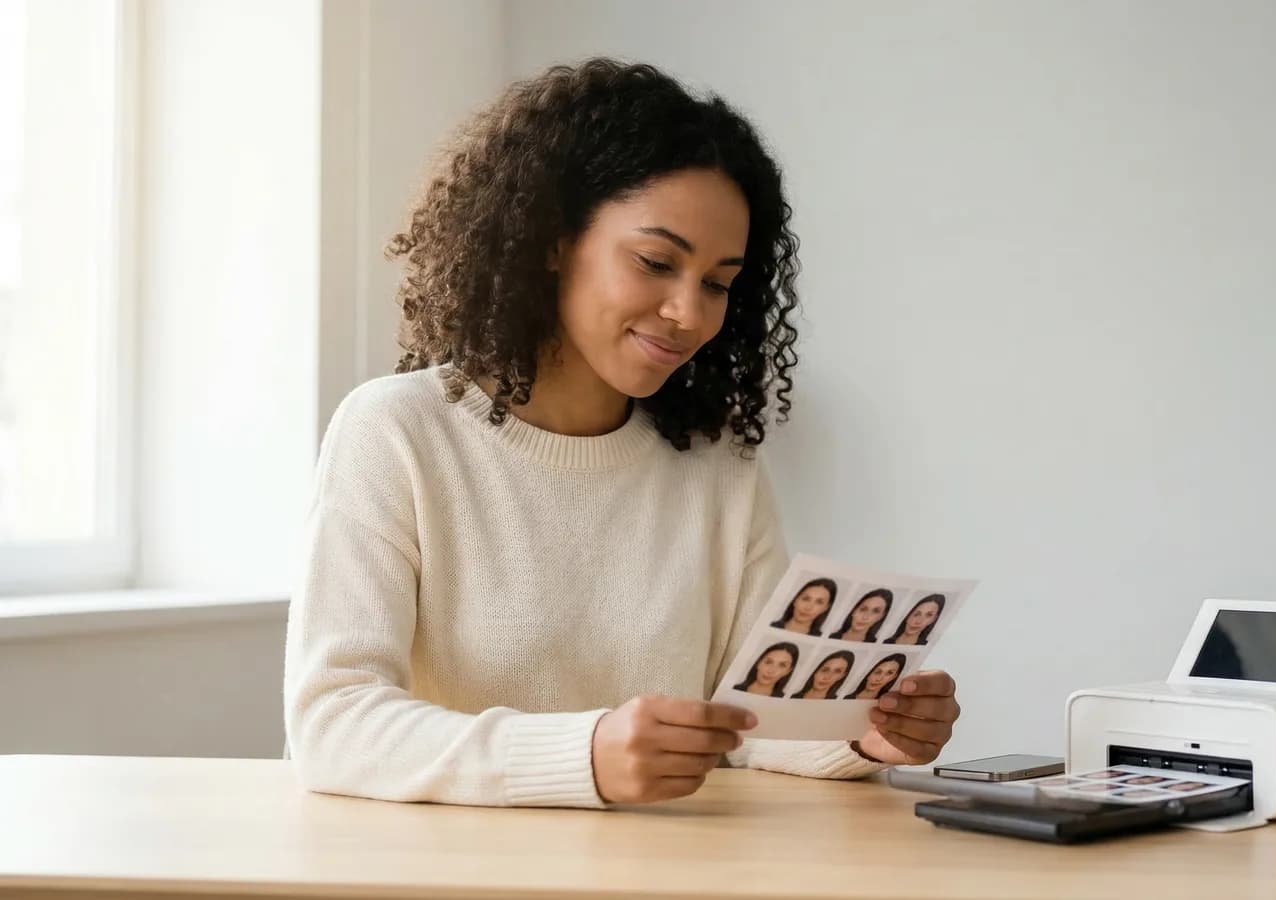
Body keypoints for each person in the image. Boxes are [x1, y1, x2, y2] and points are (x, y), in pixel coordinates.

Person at [282, 58, 961, 810]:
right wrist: (585, 756)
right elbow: (332, 724)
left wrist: (862, 732)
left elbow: (752, 719)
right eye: (656, 262)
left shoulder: (718, 469)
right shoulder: (396, 432)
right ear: (551, 240)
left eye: (717, 283)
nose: (690, 314)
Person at [770, 578, 836, 637]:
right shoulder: (770, 626)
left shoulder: (822, 638)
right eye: (805, 599)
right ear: (795, 600)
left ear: (825, 608)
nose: (808, 607)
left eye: (819, 602)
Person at [733, 643, 800, 697]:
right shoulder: (734, 689)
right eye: (768, 662)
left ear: (787, 671)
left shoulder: (783, 701)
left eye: (782, 665)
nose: (771, 671)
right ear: (758, 663)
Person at [827, 588, 892, 642]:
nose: (865, 617)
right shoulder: (829, 638)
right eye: (863, 609)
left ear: (880, 617)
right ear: (854, 611)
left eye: (875, 611)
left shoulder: (875, 646)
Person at [791, 651, 856, 700]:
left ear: (841, 676)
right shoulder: (792, 697)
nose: (827, 677)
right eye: (825, 670)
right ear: (815, 671)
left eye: (837, 672)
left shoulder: (837, 704)